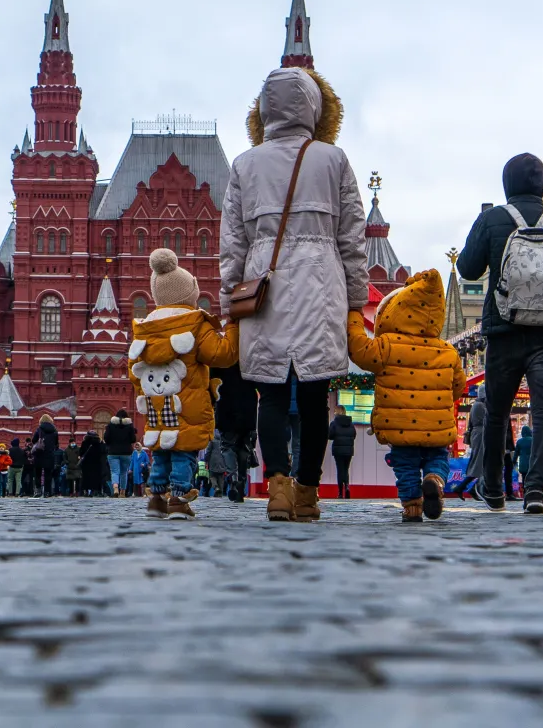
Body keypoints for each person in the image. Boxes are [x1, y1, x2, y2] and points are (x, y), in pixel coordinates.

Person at [219, 67, 367, 523]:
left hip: (264, 282)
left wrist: (231, 300)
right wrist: (357, 299)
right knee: (314, 393)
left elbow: (233, 243)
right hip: (322, 281)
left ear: (264, 110)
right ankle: (307, 492)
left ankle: (277, 487)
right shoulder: (332, 158)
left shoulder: (246, 163)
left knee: (272, 395)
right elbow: (352, 235)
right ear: (314, 107)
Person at [457, 153, 543, 516]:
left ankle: (494, 490)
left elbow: (467, 269)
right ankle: (536, 492)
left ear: (507, 184)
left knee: (497, 411)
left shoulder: (493, 218)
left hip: (503, 329)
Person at [347, 269, 465, 522]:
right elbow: (458, 387)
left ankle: (412, 507)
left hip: (399, 427)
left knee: (406, 466)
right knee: (437, 459)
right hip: (437, 426)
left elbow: (358, 350)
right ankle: (435, 480)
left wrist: (354, 317)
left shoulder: (386, 345)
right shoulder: (447, 351)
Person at [131, 249, 239, 519]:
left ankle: (156, 500)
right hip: (188, 406)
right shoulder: (194, 323)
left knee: (161, 451)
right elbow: (222, 354)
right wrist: (234, 328)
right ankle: (179, 500)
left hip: (157, 408)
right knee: (184, 452)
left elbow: (135, 372)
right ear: (189, 293)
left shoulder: (145, 328)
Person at [212, 364, 257, 503]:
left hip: (227, 403)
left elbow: (212, 375)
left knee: (227, 446)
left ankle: (233, 478)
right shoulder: (249, 351)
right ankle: (242, 481)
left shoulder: (222, 352)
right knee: (244, 447)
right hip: (247, 403)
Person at [454, 388, 486, 501]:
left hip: (478, 435)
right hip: (481, 435)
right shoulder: (480, 406)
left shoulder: (476, 405)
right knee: (480, 463)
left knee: (481, 463)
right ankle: (463, 487)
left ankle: (470, 488)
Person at [103, 409, 137, 497]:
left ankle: (115, 488)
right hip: (126, 453)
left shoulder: (111, 425)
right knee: (123, 472)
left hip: (113, 452)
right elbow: (133, 439)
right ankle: (122, 492)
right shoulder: (129, 426)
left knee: (114, 471)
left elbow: (106, 438)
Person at [327, 406, 356, 499]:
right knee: (346, 469)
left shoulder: (334, 423)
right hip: (349, 450)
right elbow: (354, 435)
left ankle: (340, 492)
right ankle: (347, 486)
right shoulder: (351, 424)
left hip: (338, 450)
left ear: (337, 412)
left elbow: (330, 435)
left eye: (335, 411)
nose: (334, 413)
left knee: (340, 470)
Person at [32, 415, 59, 497]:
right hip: (49, 455)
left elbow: (34, 440)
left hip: (39, 454)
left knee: (38, 474)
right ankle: (47, 492)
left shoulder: (39, 429)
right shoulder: (54, 431)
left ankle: (38, 491)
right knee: (48, 474)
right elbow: (56, 443)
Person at [80, 429, 106, 496]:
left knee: (86, 477)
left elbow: (81, 452)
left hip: (86, 463)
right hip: (97, 463)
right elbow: (102, 452)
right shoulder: (99, 443)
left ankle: (85, 490)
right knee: (96, 477)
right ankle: (94, 491)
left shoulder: (84, 443)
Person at [514, 425, 532, 498]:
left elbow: (516, 453)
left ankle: (525, 493)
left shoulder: (519, 442)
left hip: (523, 464)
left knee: (524, 478)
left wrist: (513, 462)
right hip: (531, 463)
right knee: (531, 478)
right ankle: (530, 491)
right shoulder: (533, 440)